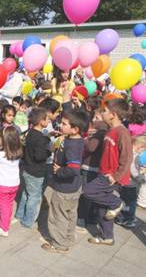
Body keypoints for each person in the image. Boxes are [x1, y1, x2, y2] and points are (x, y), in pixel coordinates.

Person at [83, 99, 133, 246]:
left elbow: (127, 157)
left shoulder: (122, 132)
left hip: (111, 176)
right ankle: (107, 237)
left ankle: (117, 203)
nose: (102, 113)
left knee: (88, 191)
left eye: (104, 111)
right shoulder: (109, 130)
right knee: (101, 208)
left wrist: (116, 176)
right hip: (103, 172)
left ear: (113, 114)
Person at [41, 110, 88, 253]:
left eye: (64, 124)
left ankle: (59, 244)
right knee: (70, 213)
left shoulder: (72, 146)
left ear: (75, 129)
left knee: (58, 216)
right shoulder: (75, 139)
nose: (61, 126)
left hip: (64, 188)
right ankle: (67, 238)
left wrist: (59, 170)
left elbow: (73, 169)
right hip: (73, 187)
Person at [15, 107, 51, 228]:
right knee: (34, 197)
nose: (49, 121)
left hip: (26, 168)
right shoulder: (40, 138)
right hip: (36, 171)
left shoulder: (30, 132)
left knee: (26, 193)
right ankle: (28, 221)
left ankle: (20, 214)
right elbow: (39, 156)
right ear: (41, 121)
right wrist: (49, 151)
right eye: (47, 119)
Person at [0, 126, 23, 237]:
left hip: (3, 185)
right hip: (15, 183)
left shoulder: (1, 154)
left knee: (4, 206)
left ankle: (4, 228)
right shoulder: (18, 151)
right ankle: (5, 220)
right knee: (9, 204)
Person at [115, 136, 146, 228]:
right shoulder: (134, 156)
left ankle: (122, 217)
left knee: (124, 200)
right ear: (139, 146)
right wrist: (141, 178)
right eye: (144, 149)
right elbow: (133, 170)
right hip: (130, 183)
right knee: (131, 202)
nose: (143, 152)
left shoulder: (127, 152)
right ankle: (128, 219)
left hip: (124, 182)